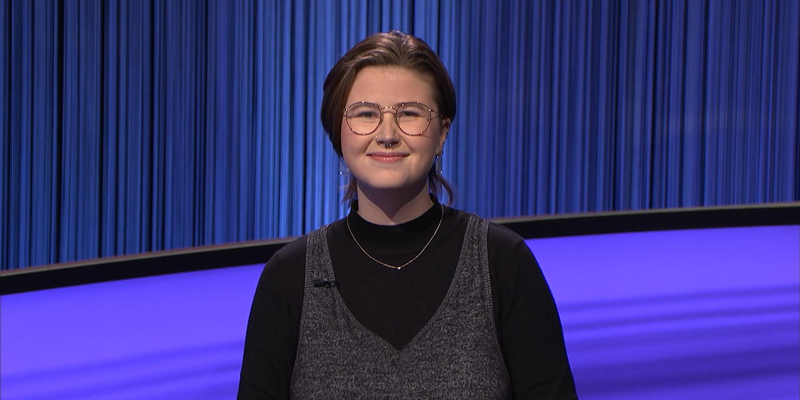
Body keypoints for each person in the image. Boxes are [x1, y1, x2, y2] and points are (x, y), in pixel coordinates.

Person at [238, 30, 577, 399]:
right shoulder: (289, 277)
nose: (387, 134)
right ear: (339, 132)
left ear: (442, 133)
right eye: (365, 114)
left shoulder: (503, 264)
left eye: (409, 114)